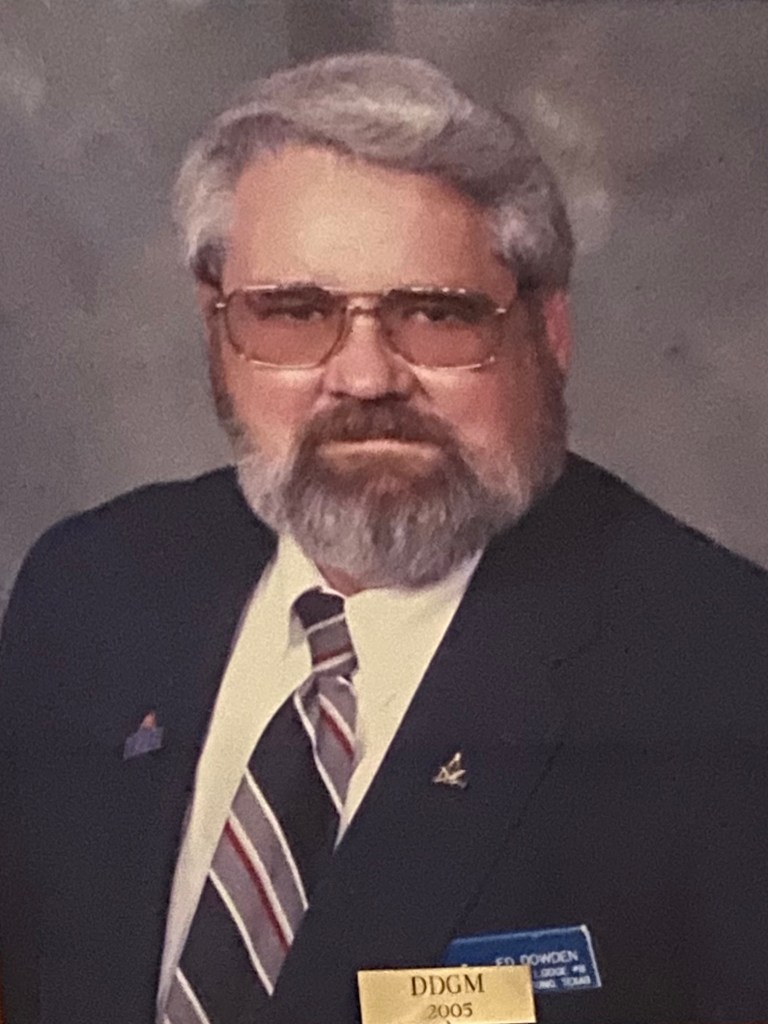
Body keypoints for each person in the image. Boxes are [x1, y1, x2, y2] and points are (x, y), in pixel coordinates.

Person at [1, 52, 767, 1024]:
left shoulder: (727, 672)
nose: (365, 378)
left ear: (550, 335)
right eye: (294, 313)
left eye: (436, 315)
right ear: (217, 330)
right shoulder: (88, 592)